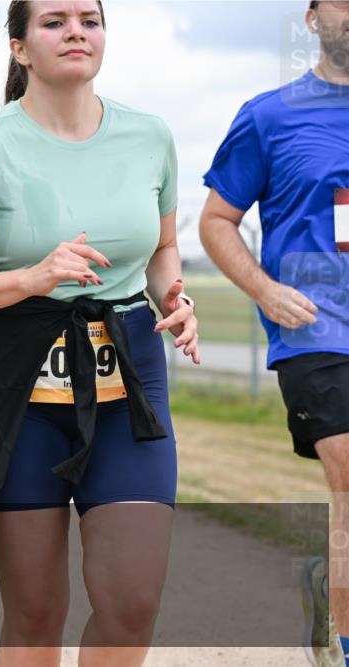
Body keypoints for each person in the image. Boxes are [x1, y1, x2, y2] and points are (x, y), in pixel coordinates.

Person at [0, 2, 200, 666]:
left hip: (129, 378)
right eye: (55, 20)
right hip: (16, 386)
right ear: (20, 48)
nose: (76, 31)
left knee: (131, 602)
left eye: (90, 19)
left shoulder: (150, 135)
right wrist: (32, 278)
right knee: (36, 612)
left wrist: (176, 295)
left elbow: (161, 249)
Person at [199, 2, 349, 664]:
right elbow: (216, 220)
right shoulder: (270, 115)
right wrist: (263, 289)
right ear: (314, 17)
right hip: (318, 330)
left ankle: (327, 582)